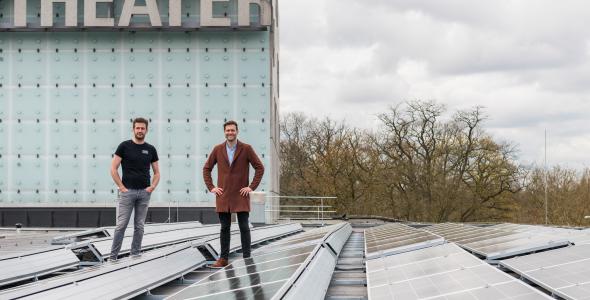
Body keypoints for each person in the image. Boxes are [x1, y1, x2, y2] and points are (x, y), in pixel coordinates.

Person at [203, 120, 264, 268]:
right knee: (225, 227)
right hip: (223, 195)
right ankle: (223, 259)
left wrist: (251, 187)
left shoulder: (246, 148)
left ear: (237, 131)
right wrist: (212, 187)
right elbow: (206, 168)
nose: (230, 133)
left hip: (241, 195)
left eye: (232, 130)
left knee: (244, 226)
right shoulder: (218, 149)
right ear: (224, 132)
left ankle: (247, 258)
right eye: (228, 130)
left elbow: (259, 168)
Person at [109, 117, 160, 261]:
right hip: (127, 192)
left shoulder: (150, 149)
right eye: (137, 128)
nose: (140, 130)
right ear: (133, 129)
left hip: (144, 193)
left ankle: (135, 254)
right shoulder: (124, 146)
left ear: (146, 130)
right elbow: (113, 168)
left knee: (139, 226)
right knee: (121, 225)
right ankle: (113, 257)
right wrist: (121, 187)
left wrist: (152, 187)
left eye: (142, 128)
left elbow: (157, 172)